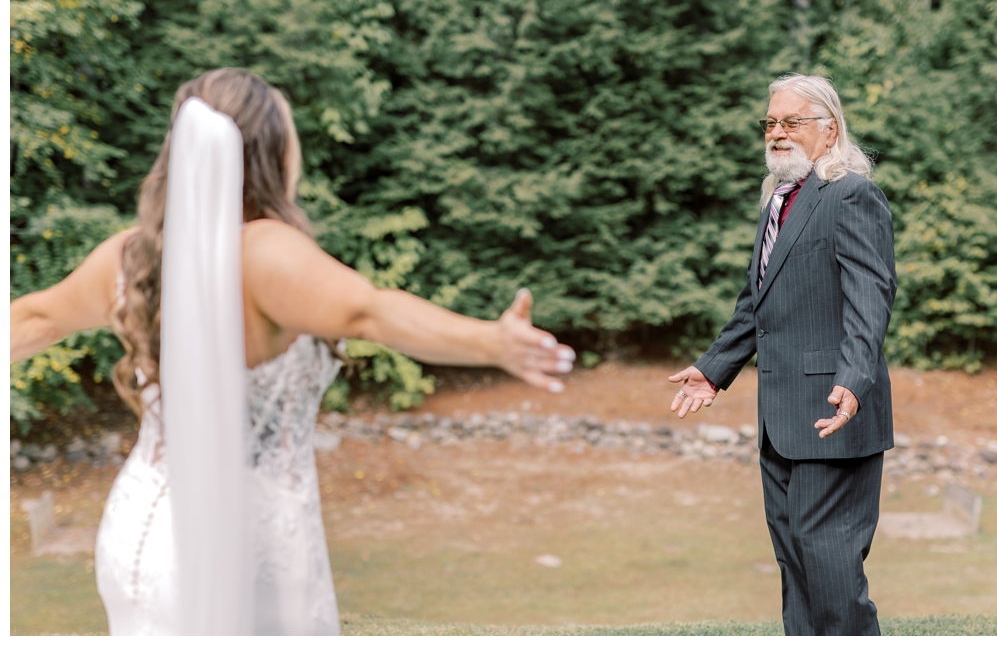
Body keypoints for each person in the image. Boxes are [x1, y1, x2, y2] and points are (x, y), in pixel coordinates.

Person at [8, 68, 576, 635]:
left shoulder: (133, 259)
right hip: (252, 548)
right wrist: (489, 340)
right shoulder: (262, 253)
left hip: (143, 537)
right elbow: (369, 311)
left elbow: (33, 318)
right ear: (269, 150)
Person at [666, 74, 896, 636]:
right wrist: (713, 370)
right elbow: (757, 305)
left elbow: (872, 294)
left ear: (829, 130)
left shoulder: (850, 194)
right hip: (779, 419)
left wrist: (854, 379)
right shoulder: (780, 200)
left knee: (830, 562)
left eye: (792, 122)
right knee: (796, 559)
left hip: (832, 410)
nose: (777, 133)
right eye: (771, 122)